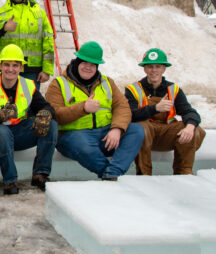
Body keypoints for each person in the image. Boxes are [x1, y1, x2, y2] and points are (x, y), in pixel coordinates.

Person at [46, 41, 145, 180]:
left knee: (136, 130)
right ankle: (109, 174)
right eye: (85, 62)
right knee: (81, 145)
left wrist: (117, 129)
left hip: (106, 134)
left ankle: (113, 172)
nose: (88, 67)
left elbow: (122, 107)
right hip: (74, 136)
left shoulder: (107, 82)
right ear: (77, 62)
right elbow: (55, 114)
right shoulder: (58, 84)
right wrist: (83, 108)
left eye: (93, 64)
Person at [0, 45, 58, 194]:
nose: (10, 69)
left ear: (21, 68)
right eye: (7, 65)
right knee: (2, 131)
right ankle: (10, 181)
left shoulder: (28, 85)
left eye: (15, 65)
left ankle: (40, 175)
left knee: (51, 124)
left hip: (20, 133)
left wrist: (45, 114)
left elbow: (46, 106)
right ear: (0, 65)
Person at [125, 48, 206, 176]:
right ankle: (144, 175)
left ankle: (184, 173)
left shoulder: (174, 89)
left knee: (193, 128)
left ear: (164, 69)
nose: (154, 70)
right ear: (144, 69)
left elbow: (189, 112)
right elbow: (130, 115)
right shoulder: (132, 89)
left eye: (158, 66)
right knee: (139, 127)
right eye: (150, 66)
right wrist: (155, 108)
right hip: (144, 136)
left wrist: (190, 127)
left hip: (166, 134)